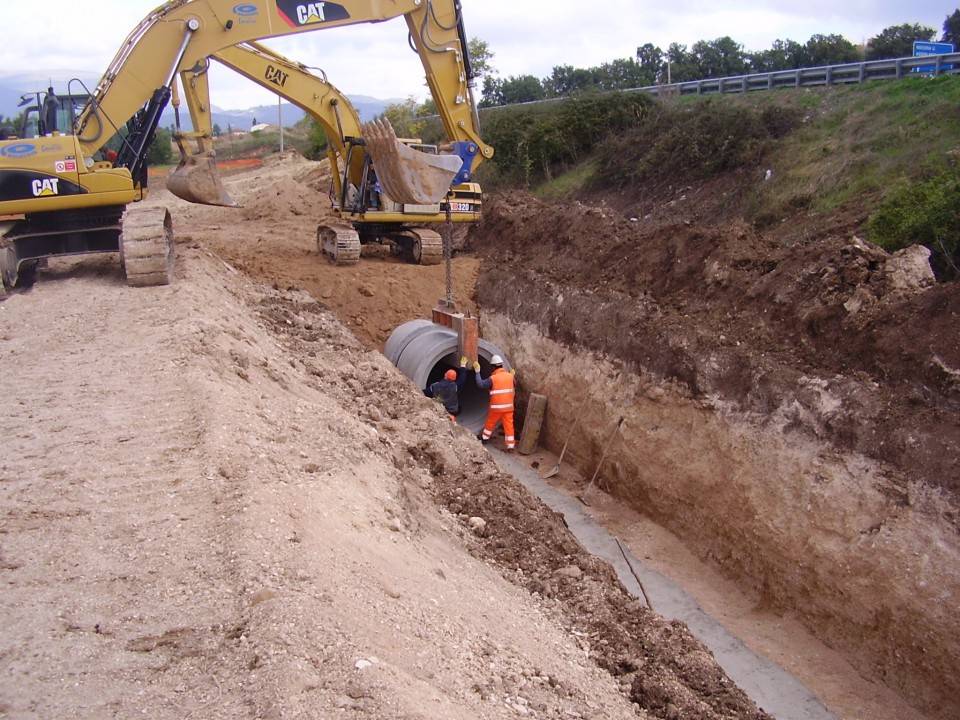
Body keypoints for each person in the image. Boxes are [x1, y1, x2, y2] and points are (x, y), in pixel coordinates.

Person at [474, 354, 516, 451]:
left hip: (496, 407)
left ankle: (484, 438)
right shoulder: (510, 376)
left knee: (490, 422)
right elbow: (513, 384)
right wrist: (512, 375)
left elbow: (480, 384)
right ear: (501, 365)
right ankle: (510, 445)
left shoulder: (493, 379)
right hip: (509, 407)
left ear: (493, 367)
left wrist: (477, 372)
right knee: (509, 425)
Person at [424, 356, 468, 421]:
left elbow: (424, 392)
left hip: (439, 410)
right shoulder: (455, 386)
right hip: (452, 411)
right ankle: (452, 418)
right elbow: (462, 379)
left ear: (445, 375)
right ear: (454, 379)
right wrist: (463, 366)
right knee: (459, 408)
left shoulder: (435, 386)